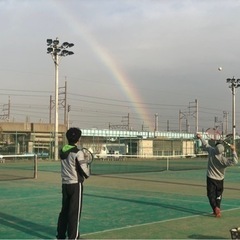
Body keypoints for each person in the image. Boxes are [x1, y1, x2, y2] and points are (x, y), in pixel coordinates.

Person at [56, 127, 90, 239]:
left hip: (65, 184)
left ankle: (61, 235)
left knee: (64, 211)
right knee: (74, 213)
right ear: (78, 139)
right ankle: (73, 237)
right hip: (75, 185)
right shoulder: (78, 152)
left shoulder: (63, 150)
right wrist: (87, 165)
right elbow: (85, 172)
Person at [196, 133, 238, 218]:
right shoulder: (224, 160)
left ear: (215, 148)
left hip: (211, 178)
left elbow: (205, 144)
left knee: (211, 195)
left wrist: (200, 137)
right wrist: (233, 150)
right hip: (220, 179)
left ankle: (215, 208)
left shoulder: (211, 151)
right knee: (218, 195)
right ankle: (218, 207)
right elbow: (235, 161)